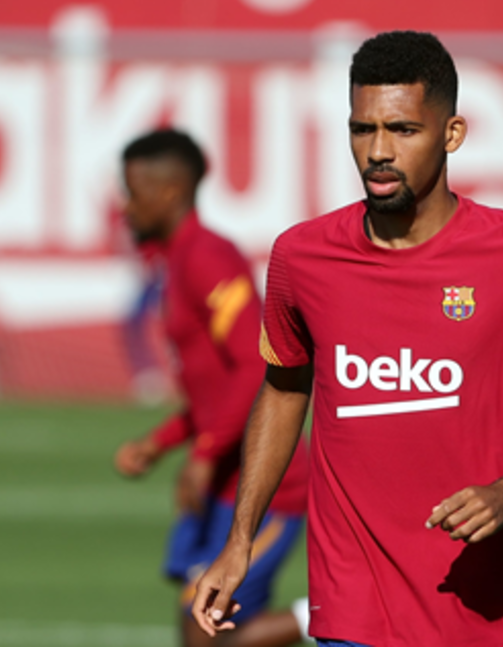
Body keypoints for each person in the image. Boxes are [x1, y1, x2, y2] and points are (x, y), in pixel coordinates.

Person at [191, 31, 503, 647]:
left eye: (402, 131)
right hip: (352, 615)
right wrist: (238, 542)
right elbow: (284, 391)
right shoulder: (301, 257)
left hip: (481, 618)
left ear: (451, 135)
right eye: (362, 129)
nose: (377, 150)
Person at [112, 129, 313, 647]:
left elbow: (256, 366)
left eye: (133, 193)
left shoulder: (207, 258)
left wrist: (202, 453)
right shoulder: (176, 261)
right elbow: (213, 392)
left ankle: (336, 612)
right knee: (205, 625)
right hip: (224, 480)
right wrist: (156, 443)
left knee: (203, 628)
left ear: (170, 192)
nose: (125, 208)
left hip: (268, 486)